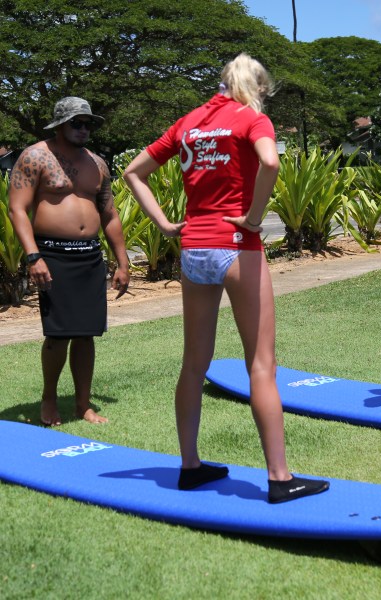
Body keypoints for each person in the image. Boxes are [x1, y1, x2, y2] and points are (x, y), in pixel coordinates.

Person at [123, 53, 329, 502]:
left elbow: (132, 172)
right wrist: (255, 218)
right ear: (257, 88)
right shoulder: (251, 119)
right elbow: (270, 164)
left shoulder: (189, 122)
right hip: (237, 246)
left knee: (194, 362)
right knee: (261, 364)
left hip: (195, 246)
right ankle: (279, 477)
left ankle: (190, 465)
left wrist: (162, 223)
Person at [8, 97, 130, 426]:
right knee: (59, 334)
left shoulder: (98, 163)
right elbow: (17, 209)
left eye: (88, 123)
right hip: (52, 255)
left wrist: (123, 262)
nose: (83, 129)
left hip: (89, 256)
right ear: (60, 124)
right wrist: (33, 256)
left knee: (86, 333)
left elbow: (109, 214)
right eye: (77, 123)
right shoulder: (35, 156)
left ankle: (83, 404)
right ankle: (49, 400)